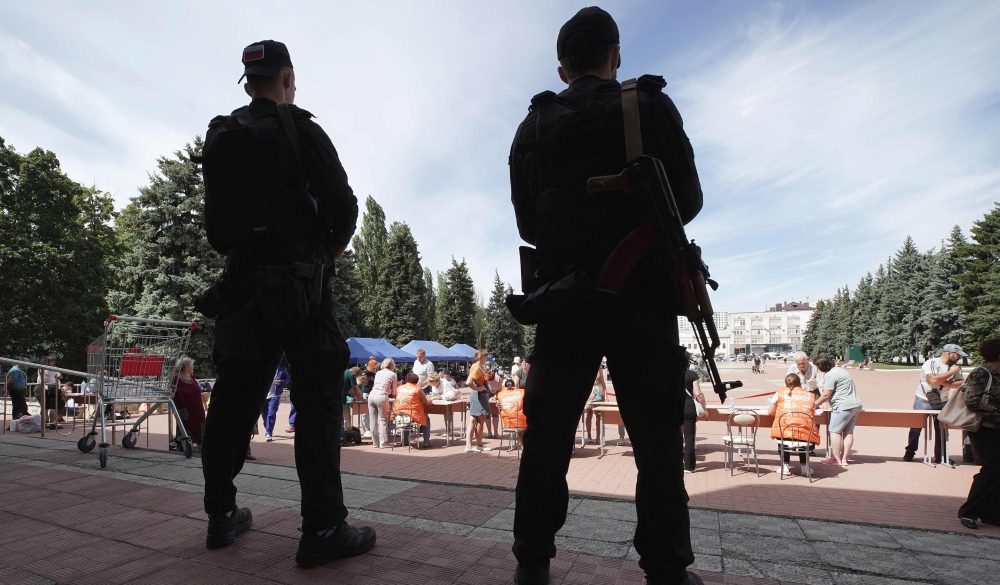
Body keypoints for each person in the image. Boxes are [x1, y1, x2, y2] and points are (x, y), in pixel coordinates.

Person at [506, 7, 705, 584]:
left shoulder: (534, 124)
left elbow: (528, 222)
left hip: (563, 297)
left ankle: (532, 562)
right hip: (641, 297)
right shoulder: (645, 105)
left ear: (562, 68)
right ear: (616, 56)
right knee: (655, 439)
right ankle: (667, 568)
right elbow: (686, 200)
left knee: (546, 438)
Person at [197, 39, 374, 565]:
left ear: (247, 83)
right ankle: (322, 530)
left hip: (242, 287)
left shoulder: (222, 135)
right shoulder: (302, 130)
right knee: (317, 404)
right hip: (302, 286)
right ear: (288, 78)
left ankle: (220, 514)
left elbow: (216, 226)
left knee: (231, 403)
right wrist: (329, 249)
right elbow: (343, 204)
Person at [958, 338, 1000, 529]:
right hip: (983, 429)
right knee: (991, 469)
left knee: (996, 471)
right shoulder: (981, 373)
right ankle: (968, 512)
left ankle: (990, 514)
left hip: (996, 428)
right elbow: (973, 400)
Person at [904, 344, 967, 463]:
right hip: (923, 400)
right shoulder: (931, 363)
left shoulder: (956, 367)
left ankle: (940, 456)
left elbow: (959, 383)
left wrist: (942, 380)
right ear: (949, 353)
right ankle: (910, 452)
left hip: (943, 401)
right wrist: (951, 374)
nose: (959, 357)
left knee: (942, 430)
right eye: (958, 355)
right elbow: (932, 380)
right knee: (916, 428)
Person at [767, 374, 821, 476]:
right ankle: (804, 467)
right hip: (804, 430)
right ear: (800, 383)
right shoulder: (809, 395)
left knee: (783, 438)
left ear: (785, 383)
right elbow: (813, 411)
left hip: (785, 429)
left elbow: (770, 412)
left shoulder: (779, 393)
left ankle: (785, 466)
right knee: (802, 437)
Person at [813, 356, 863, 466]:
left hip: (842, 406)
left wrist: (815, 404)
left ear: (822, 366)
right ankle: (844, 458)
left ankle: (836, 459)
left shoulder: (830, 375)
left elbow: (826, 394)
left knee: (834, 431)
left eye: (817, 366)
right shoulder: (841, 371)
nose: (816, 369)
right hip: (856, 405)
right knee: (848, 431)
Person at [172, 358, 207, 447]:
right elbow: (174, 392)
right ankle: (185, 445)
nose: (193, 367)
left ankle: (199, 445)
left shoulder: (191, 377)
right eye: (192, 366)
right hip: (186, 410)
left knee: (200, 427)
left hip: (197, 409)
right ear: (187, 367)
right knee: (187, 428)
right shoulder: (176, 377)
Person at [464, 350, 493, 453]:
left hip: (477, 395)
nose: (486, 359)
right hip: (479, 396)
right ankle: (478, 444)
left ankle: (470, 445)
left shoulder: (476, 367)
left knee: (472, 420)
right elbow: (468, 382)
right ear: (481, 357)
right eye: (485, 357)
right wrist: (478, 389)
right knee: (480, 420)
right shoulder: (476, 368)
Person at [394, 371, 433, 446]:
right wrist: (431, 399)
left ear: (406, 380)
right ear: (417, 381)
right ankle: (426, 442)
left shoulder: (399, 388)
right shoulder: (417, 389)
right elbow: (427, 402)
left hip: (398, 415)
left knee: (406, 419)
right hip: (411, 415)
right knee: (426, 419)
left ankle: (405, 441)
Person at [682, 356, 706, 473]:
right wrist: (704, 409)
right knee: (689, 437)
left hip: (674, 407)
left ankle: (674, 463)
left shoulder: (669, 374)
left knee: (674, 436)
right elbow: (698, 394)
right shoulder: (692, 374)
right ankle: (689, 466)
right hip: (688, 407)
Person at [368, 358, 397, 449]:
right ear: (392, 365)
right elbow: (394, 390)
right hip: (382, 396)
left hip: (371, 395)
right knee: (383, 420)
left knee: (373, 421)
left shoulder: (378, 373)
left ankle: (375, 443)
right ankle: (383, 442)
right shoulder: (393, 374)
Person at [261, 359, 290, 442]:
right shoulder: (264, 366)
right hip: (264, 395)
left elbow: (287, 379)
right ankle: (268, 427)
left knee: (271, 413)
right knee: (264, 414)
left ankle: (268, 432)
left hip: (275, 394)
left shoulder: (281, 367)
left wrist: (281, 381)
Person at [498, 377, 527, 443]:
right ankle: (523, 446)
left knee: (518, 429)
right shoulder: (522, 392)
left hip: (508, 423)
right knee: (522, 428)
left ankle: (522, 445)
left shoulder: (500, 394)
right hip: (521, 422)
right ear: (514, 385)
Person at [584, 368, 606, 444]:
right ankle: (589, 436)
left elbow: (603, 382)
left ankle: (598, 437)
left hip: (599, 393)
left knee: (598, 416)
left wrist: (606, 396)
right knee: (589, 415)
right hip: (591, 394)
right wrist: (589, 394)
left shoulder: (600, 369)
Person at [361, 356, 378, 437]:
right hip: (366, 392)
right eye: (373, 368)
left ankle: (371, 428)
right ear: (369, 366)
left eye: (375, 368)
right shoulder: (364, 373)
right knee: (364, 412)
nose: (374, 370)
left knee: (372, 412)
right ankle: (366, 428)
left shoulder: (375, 374)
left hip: (373, 393)